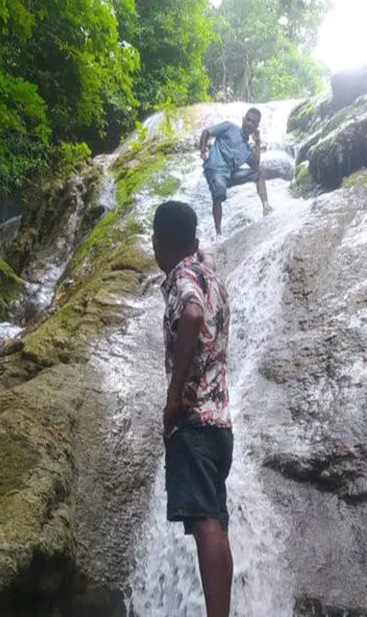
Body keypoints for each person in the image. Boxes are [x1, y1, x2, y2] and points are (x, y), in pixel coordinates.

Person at [153, 200, 233, 617]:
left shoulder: (184, 276)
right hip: (220, 425)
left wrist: (173, 395)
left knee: (205, 524)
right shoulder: (211, 276)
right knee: (215, 523)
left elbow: (192, 313)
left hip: (196, 420)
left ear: (159, 241)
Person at [200, 107, 271, 237]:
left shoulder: (247, 148)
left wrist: (257, 143)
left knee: (259, 173)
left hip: (230, 175)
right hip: (215, 169)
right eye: (248, 120)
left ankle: (266, 207)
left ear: (256, 127)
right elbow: (206, 132)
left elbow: (255, 164)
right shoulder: (229, 127)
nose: (250, 124)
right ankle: (218, 233)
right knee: (219, 193)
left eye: (254, 123)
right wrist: (203, 151)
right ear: (243, 120)